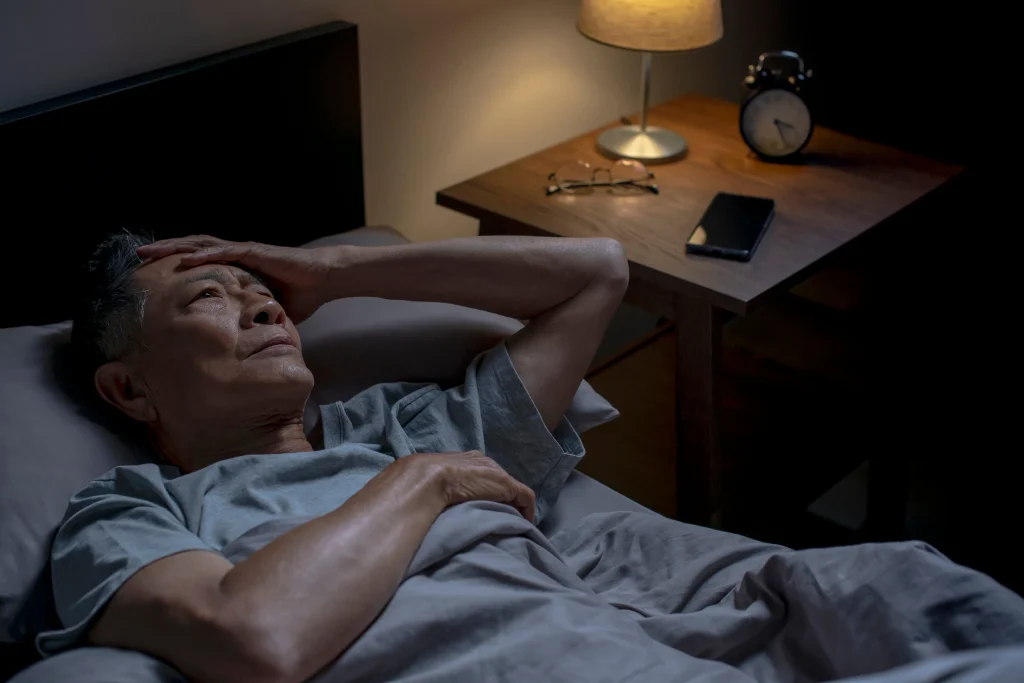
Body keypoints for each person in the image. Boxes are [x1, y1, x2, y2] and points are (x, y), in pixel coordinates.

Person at [33, 233, 1024, 683]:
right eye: (208, 295)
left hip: (628, 648)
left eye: (262, 290)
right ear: (128, 388)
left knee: (915, 589)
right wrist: (425, 482)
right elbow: (253, 640)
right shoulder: (127, 512)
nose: (260, 305)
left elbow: (596, 271)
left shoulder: (395, 426)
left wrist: (330, 269)